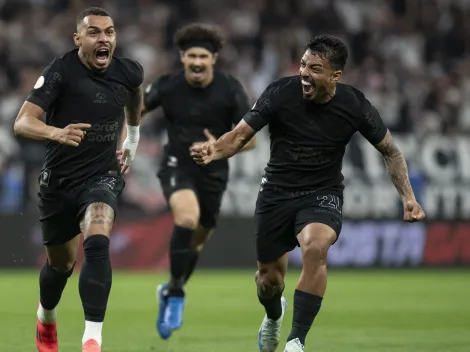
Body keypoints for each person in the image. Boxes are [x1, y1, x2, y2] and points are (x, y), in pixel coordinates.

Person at [190, 35, 426, 352]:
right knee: (269, 282)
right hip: (276, 193)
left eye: (315, 68)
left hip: (322, 192)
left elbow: (391, 152)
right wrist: (214, 151)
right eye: (303, 64)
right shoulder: (280, 92)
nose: (304, 72)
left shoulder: (354, 104)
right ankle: (274, 316)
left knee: (315, 247)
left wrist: (408, 198)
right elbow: (239, 136)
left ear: (335, 76)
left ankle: (296, 341)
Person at [13, 7, 144, 352]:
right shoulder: (61, 71)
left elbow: (135, 94)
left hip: (101, 176)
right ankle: (46, 316)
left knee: (98, 238)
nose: (104, 39)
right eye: (95, 32)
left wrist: (131, 138)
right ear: (78, 38)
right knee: (60, 267)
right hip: (58, 182)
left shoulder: (128, 71)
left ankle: (92, 340)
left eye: (110, 32)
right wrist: (56, 132)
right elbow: (22, 123)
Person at [139, 23, 255, 339]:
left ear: (213, 58)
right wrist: (125, 138)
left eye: (203, 55)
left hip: (214, 172)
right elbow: (133, 111)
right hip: (177, 164)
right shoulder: (168, 85)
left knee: (198, 241)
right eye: (191, 55)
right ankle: (176, 294)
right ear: (182, 57)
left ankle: (172, 287)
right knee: (187, 219)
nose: (197, 61)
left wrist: (217, 147)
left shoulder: (231, 89)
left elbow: (252, 141)